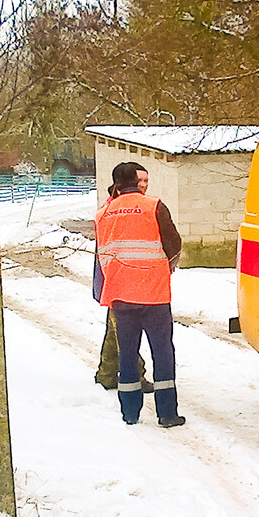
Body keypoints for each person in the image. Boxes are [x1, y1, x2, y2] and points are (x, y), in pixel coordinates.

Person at [94, 162, 185, 427]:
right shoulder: (153, 206)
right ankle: (167, 413)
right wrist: (167, 264)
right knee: (163, 353)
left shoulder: (103, 213)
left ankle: (130, 413)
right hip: (154, 295)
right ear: (135, 180)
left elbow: (103, 255)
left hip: (121, 295)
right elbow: (174, 243)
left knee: (127, 355)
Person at [94, 172, 151, 392]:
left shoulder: (114, 205)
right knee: (124, 330)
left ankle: (106, 374)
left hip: (118, 280)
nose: (144, 185)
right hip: (119, 281)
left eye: (146, 181)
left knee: (114, 327)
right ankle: (137, 374)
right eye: (139, 181)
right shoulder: (116, 209)